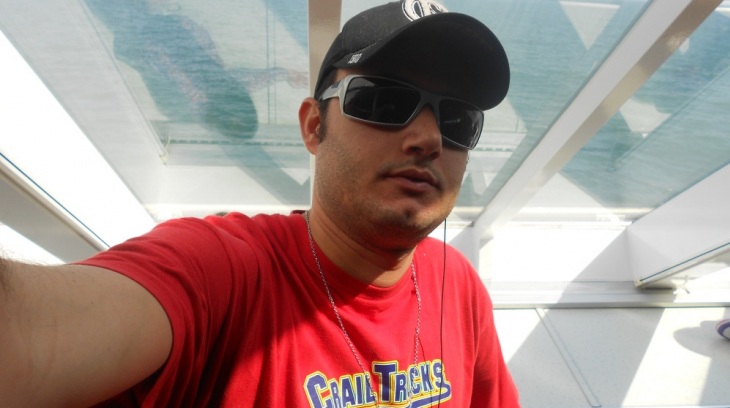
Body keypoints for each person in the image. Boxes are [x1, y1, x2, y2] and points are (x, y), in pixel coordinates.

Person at [0, 0, 518, 406]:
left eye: (458, 120)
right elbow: (30, 341)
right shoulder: (226, 273)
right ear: (314, 127)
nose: (429, 138)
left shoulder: (458, 285)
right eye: (384, 101)